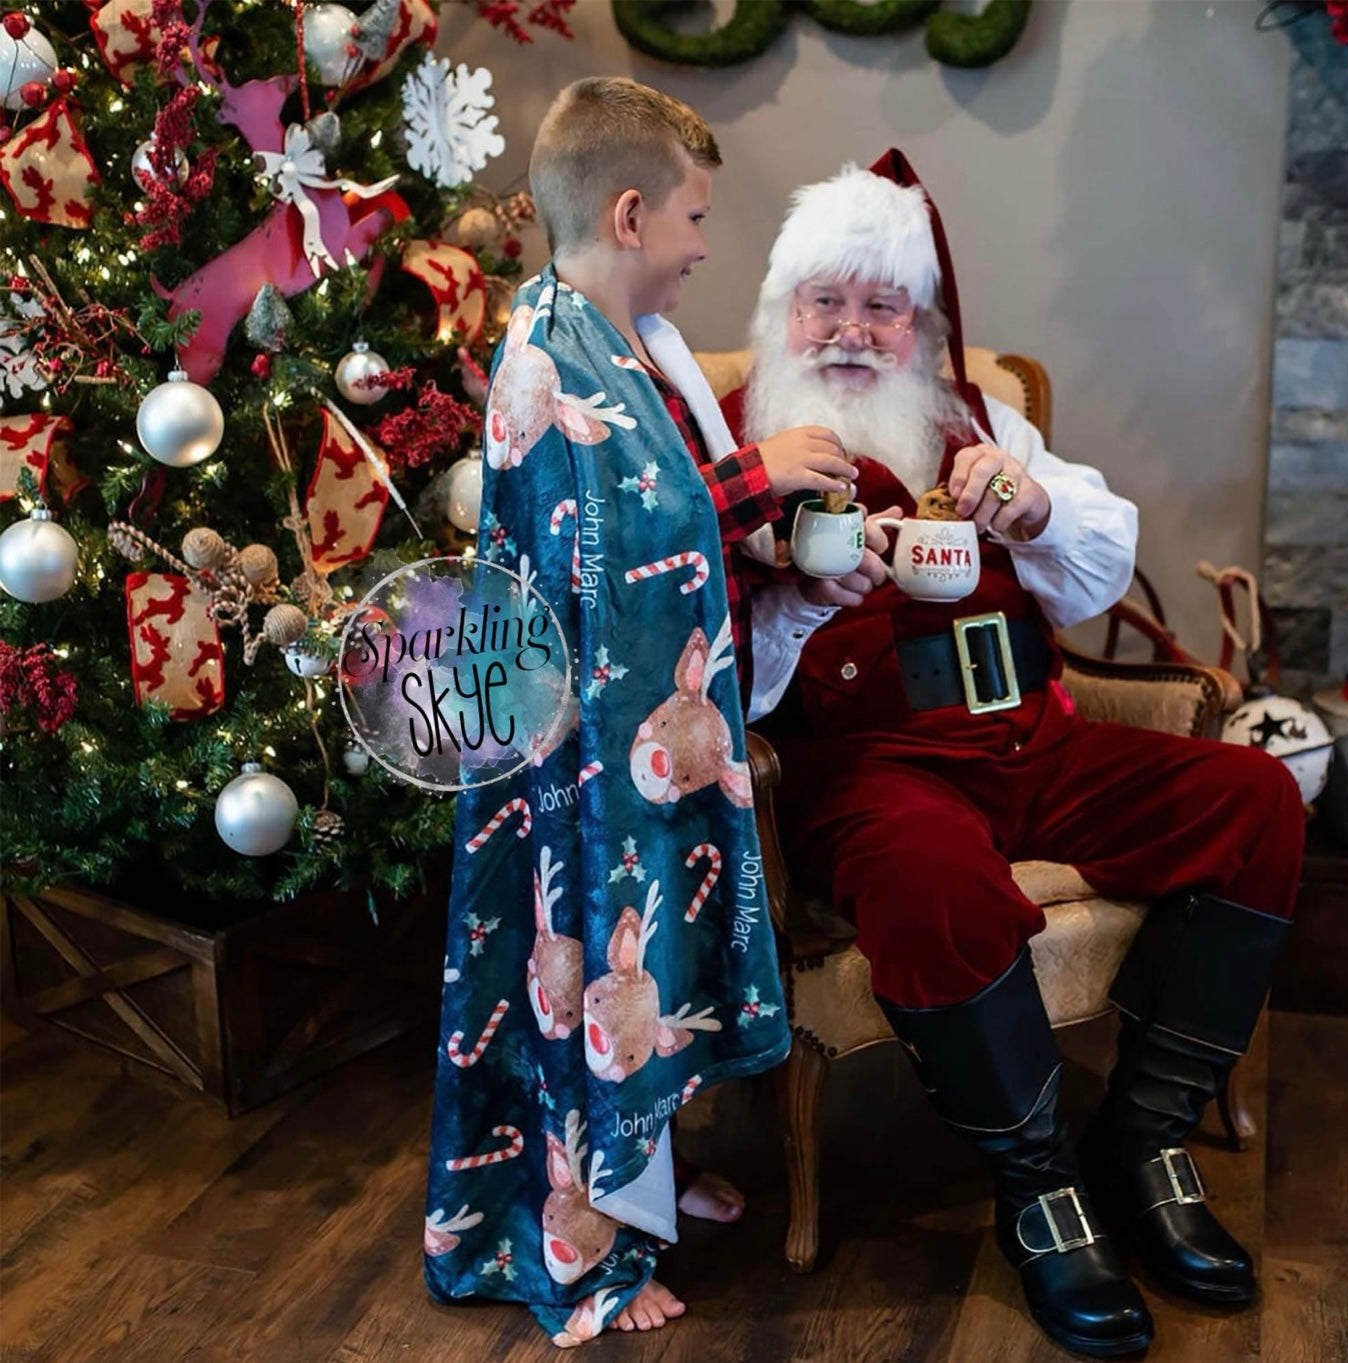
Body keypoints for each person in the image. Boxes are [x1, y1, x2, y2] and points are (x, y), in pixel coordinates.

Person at [722, 152, 1304, 1359]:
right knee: (931, 880)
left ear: (921, 324)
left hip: (1037, 737)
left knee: (1254, 795)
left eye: (881, 304)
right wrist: (803, 586)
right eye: (825, 301)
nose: (851, 328)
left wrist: (1030, 506)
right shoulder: (737, 454)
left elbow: (1091, 564)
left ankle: (1142, 1144)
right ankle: (1040, 1187)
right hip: (872, 766)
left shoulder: (982, 422)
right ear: (785, 314)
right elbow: (709, 674)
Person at [424, 78, 861, 1347]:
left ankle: (643, 1184)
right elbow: (603, 557)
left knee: (642, 961)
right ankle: (590, 1255)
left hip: (631, 742)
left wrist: (766, 518)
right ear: (628, 213)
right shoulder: (547, 355)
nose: (702, 245)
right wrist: (756, 474)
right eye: (692, 217)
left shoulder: (614, 344)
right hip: (576, 758)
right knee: (585, 968)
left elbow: (661, 522)